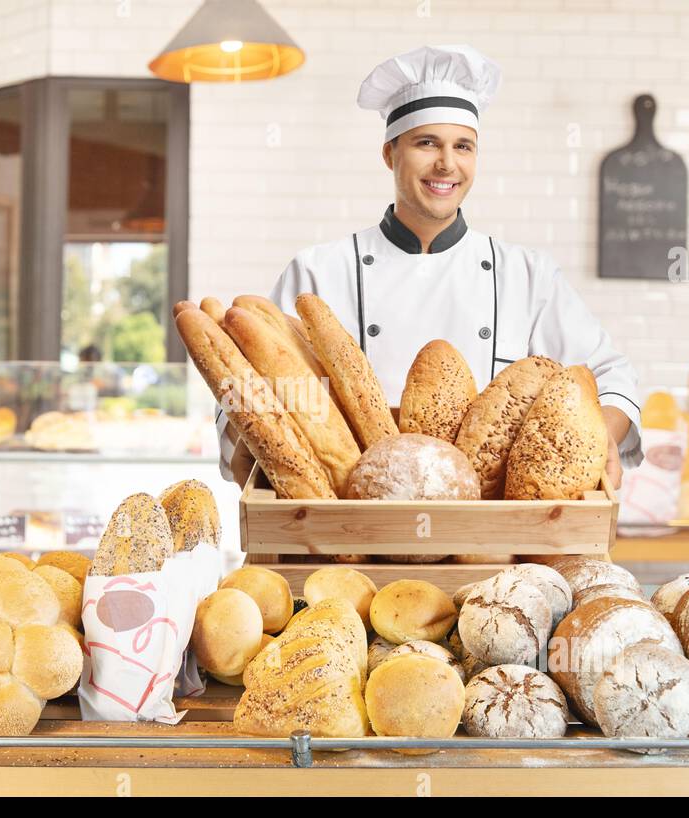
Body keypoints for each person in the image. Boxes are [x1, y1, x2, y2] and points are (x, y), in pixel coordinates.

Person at [220, 45, 642, 489]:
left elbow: (613, 376)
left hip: (489, 538)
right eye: (427, 143)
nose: (447, 163)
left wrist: (603, 436)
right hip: (348, 522)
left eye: (463, 146)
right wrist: (250, 432)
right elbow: (243, 386)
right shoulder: (318, 271)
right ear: (389, 154)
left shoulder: (527, 275)